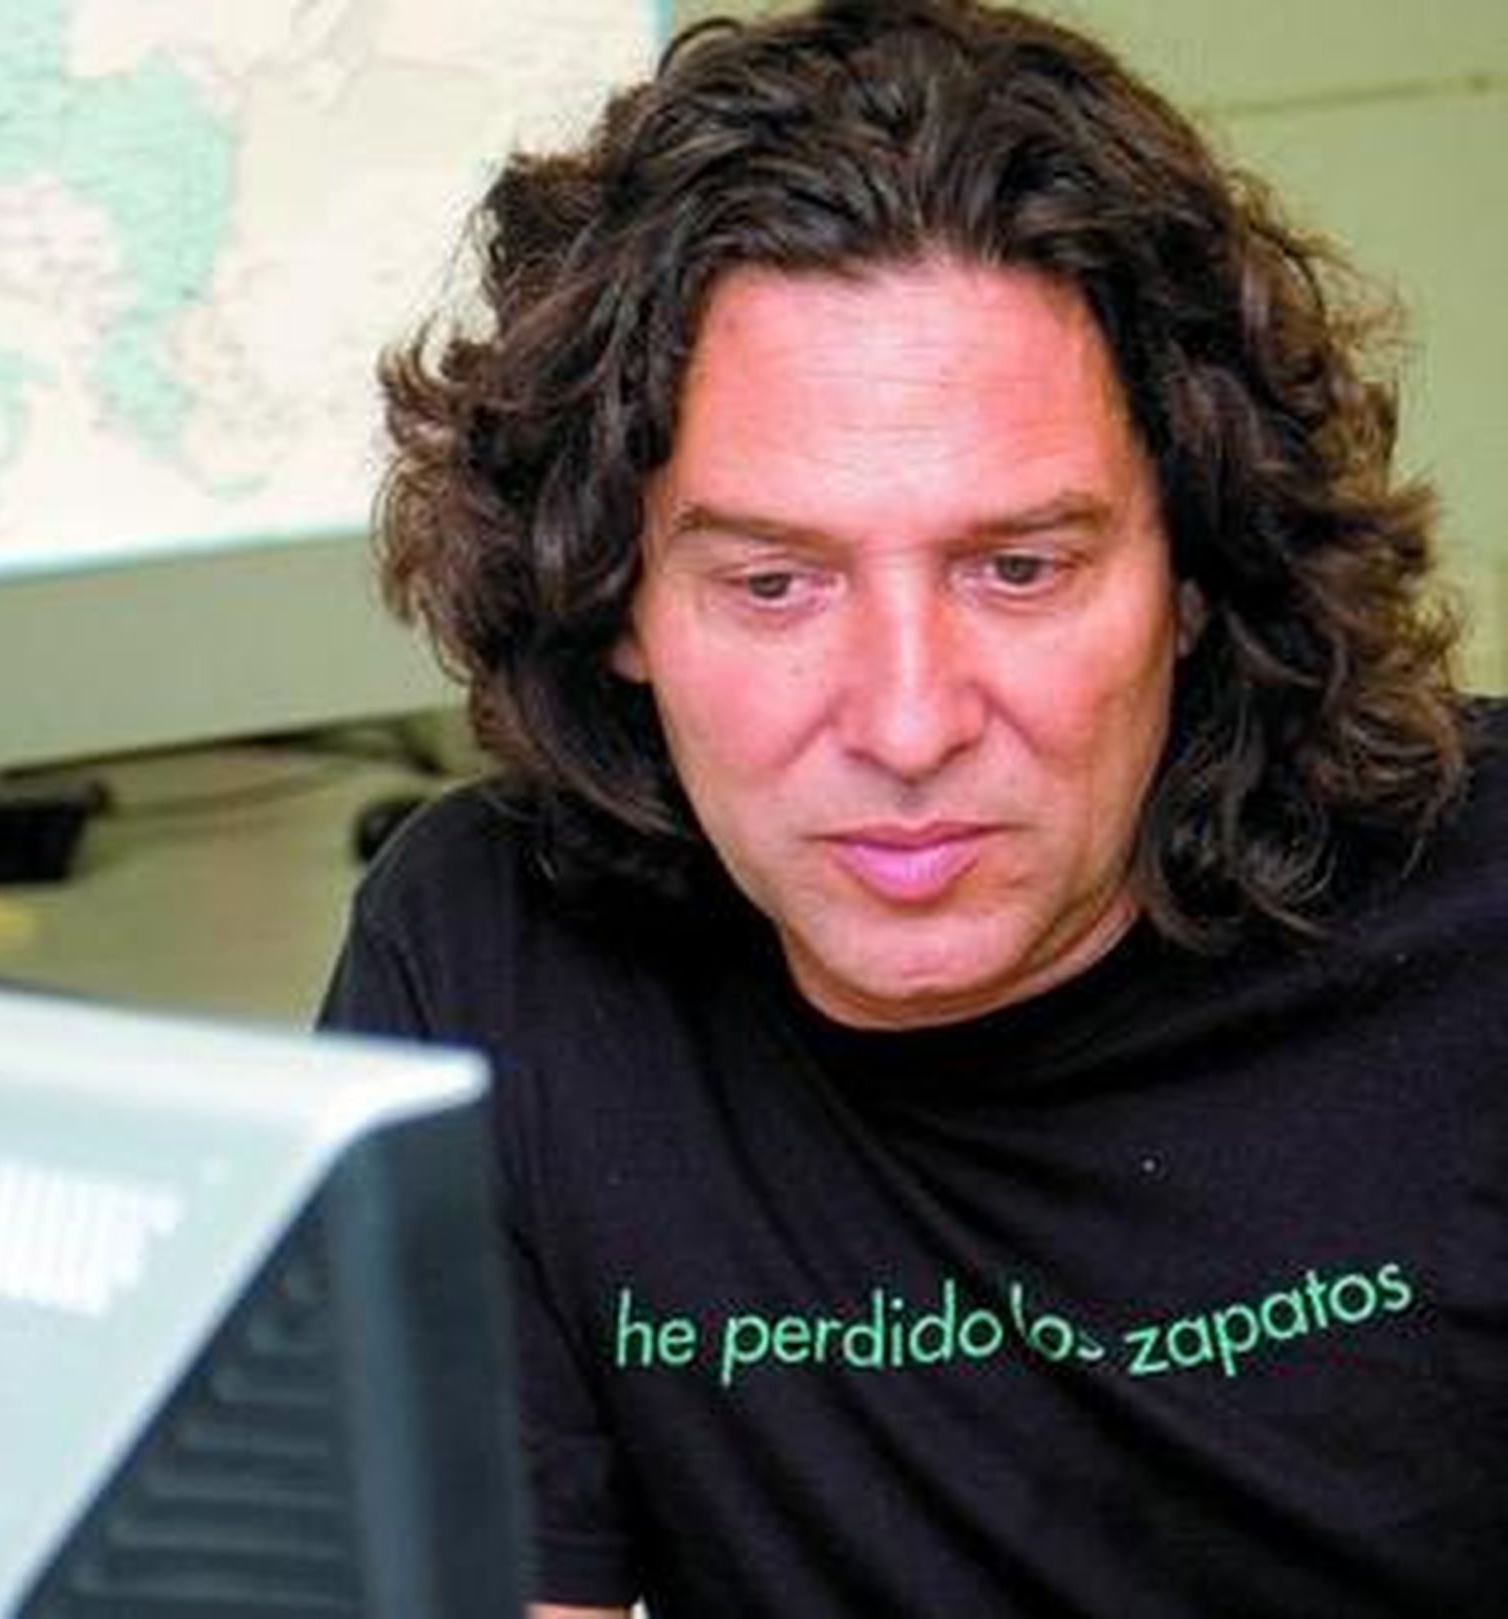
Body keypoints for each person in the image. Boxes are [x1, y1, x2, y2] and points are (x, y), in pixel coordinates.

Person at [319, 3, 1508, 1614]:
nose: (905, 722)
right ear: (612, 596)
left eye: (1018, 569)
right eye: (774, 584)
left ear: (1194, 572)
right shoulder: (489, 962)